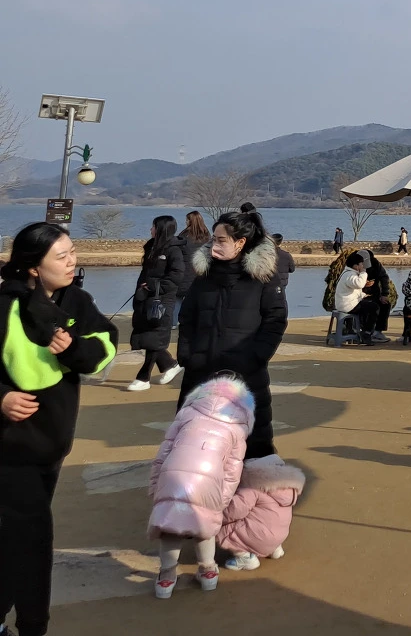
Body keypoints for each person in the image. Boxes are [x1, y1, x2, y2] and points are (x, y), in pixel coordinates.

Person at [0, 223, 117, 636]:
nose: (72, 262)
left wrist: (74, 349)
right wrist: (1, 399)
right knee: (32, 538)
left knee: (15, 536)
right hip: (10, 447)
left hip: (52, 444)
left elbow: (105, 347)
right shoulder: (4, 305)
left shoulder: (77, 301)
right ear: (33, 267)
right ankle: (33, 626)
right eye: (61, 256)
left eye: (73, 252)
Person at [178, 206, 287, 460]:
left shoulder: (263, 278)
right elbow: (187, 317)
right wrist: (187, 354)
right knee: (195, 442)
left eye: (221, 240)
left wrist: (257, 355)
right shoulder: (204, 275)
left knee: (252, 443)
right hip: (201, 370)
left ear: (240, 243)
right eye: (213, 239)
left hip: (246, 372)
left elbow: (275, 319)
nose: (214, 246)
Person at [148, 373, 254, 598]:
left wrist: (155, 484)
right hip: (209, 478)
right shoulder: (238, 425)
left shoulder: (188, 412)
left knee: (170, 526)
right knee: (205, 523)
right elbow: (232, 470)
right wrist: (221, 500)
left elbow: (164, 450)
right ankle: (208, 572)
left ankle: (166, 578)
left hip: (173, 473)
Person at [217, 453, 306, 572]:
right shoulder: (288, 488)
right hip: (280, 537)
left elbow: (233, 511)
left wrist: (217, 517)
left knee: (219, 530)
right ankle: (274, 549)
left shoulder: (252, 488)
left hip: (261, 537)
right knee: (269, 518)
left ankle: (245, 558)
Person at [129, 214, 185, 392]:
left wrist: (155, 286)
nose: (150, 229)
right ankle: (170, 364)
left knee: (154, 337)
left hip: (162, 300)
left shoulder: (174, 250)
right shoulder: (152, 247)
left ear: (161, 229)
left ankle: (143, 377)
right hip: (145, 297)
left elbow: (176, 276)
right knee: (146, 336)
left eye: (153, 226)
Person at [175, 211, 209, 318]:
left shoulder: (183, 236)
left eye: (187, 220)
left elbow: (177, 255)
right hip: (200, 274)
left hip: (184, 273)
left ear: (190, 221)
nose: (185, 222)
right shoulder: (206, 237)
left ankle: (174, 322)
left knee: (177, 299)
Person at [358, 249, 394, 342]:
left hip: (374, 293)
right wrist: (362, 284)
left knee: (385, 304)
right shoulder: (353, 266)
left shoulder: (376, 264)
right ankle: (365, 331)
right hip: (358, 296)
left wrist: (384, 294)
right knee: (371, 307)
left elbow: (384, 278)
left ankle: (378, 332)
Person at [332, 253, 371, 337]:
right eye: (361, 264)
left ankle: (351, 329)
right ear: (356, 266)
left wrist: (363, 295)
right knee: (373, 307)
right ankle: (366, 333)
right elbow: (360, 284)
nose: (363, 266)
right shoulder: (350, 275)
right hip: (347, 305)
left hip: (344, 303)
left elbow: (353, 291)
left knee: (366, 305)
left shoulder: (347, 273)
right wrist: (363, 273)